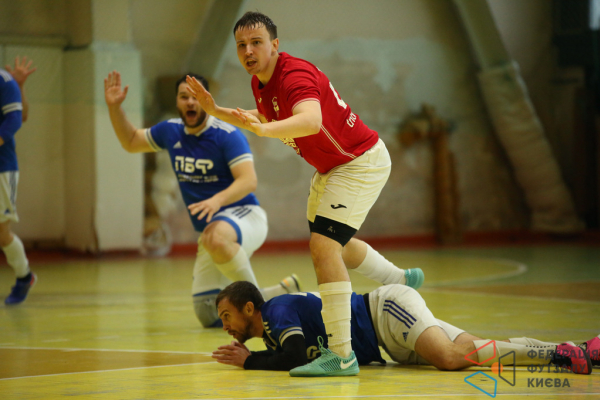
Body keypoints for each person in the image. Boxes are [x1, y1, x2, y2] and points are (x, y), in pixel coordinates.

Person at [185, 10, 424, 376]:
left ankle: (342, 356)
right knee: (335, 245)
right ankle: (399, 279)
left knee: (323, 247)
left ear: (275, 45)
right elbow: (257, 118)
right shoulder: (261, 83)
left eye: (256, 43)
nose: (248, 51)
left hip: (358, 162)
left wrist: (265, 131)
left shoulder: (293, 75)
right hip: (331, 169)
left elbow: (311, 120)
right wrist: (215, 110)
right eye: (241, 45)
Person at [104, 71, 302, 328]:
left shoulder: (227, 134)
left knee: (215, 238)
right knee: (209, 313)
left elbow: (248, 181)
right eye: (183, 97)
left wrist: (216, 201)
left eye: (195, 97)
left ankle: (260, 311)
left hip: (245, 217)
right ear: (177, 102)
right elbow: (131, 142)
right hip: (211, 231)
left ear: (207, 100)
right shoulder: (171, 131)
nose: (190, 102)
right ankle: (283, 294)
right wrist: (114, 108)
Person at [212, 281, 596, 376]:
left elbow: (296, 357)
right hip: (388, 339)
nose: (224, 325)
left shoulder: (277, 311)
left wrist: (249, 361)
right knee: (475, 350)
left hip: (386, 312)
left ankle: (560, 353)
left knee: (449, 358)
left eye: (227, 316)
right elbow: (289, 355)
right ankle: (577, 348)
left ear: (250, 308)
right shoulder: (272, 332)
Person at [1, 56, 37, 305]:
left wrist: (19, 86)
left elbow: (17, 119)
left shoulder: (4, 82)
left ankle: (24, 276)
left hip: (2, 168)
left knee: (2, 233)